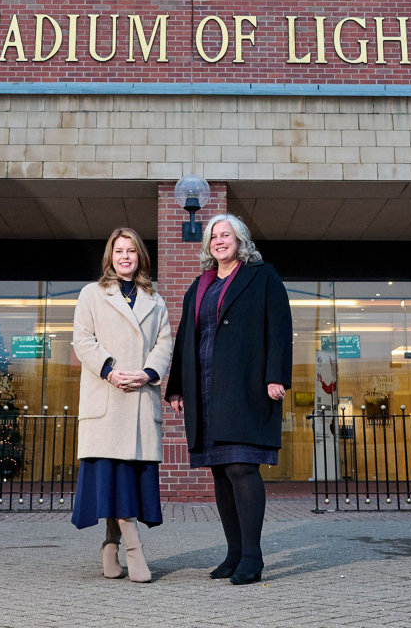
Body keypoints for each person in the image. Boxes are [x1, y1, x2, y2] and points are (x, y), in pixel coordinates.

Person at [165, 214, 292, 584]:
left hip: (245, 383)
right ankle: (234, 554)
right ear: (208, 245)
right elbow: (186, 337)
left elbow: (279, 326)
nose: (220, 241)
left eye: (227, 235)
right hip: (204, 387)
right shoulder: (199, 285)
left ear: (240, 240)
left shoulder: (262, 275)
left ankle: (253, 557)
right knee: (220, 472)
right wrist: (177, 388)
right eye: (214, 236)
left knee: (241, 466)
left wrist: (275, 376)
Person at [70, 227, 173, 582]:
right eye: (119, 251)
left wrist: (147, 372)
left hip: (140, 399)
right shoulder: (91, 294)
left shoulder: (154, 299)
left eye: (131, 250)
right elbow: (82, 339)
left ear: (140, 256)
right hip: (107, 397)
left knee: (125, 478)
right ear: (110, 257)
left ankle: (111, 544)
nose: (125, 256)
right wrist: (111, 371)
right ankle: (134, 548)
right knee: (112, 477)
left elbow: (165, 343)